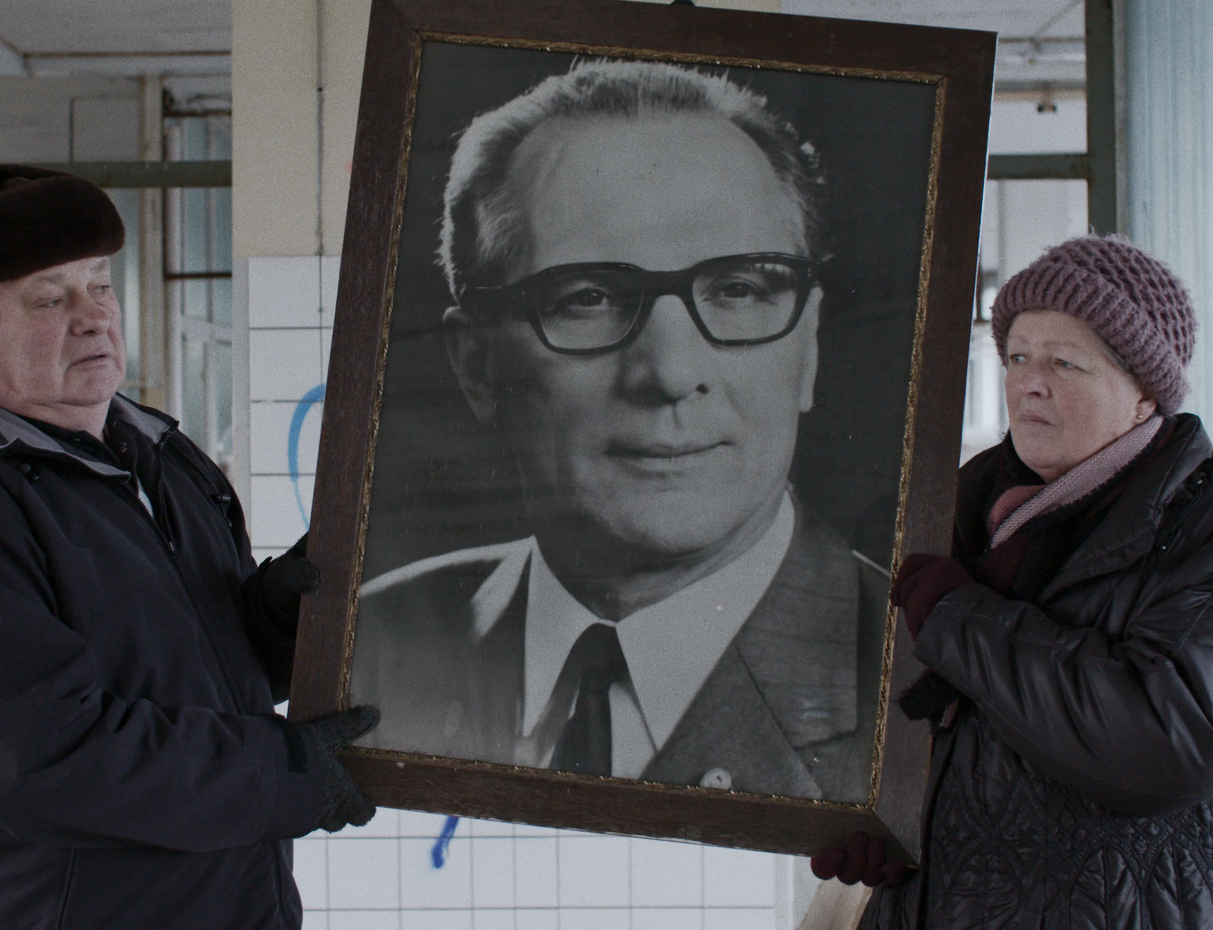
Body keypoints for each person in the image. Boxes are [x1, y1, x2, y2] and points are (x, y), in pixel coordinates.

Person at [0, 161, 377, 930]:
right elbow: (38, 755)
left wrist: (271, 624)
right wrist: (279, 775)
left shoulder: (157, 454)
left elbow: (174, 669)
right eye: (48, 297)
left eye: (101, 285)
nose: (92, 318)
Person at [352, 60, 889, 801]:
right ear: (478, 366)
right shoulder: (367, 645)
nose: (668, 374)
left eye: (737, 290)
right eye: (591, 297)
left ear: (810, 348)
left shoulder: (922, 680)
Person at [814, 236, 1213, 930]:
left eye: (1064, 363)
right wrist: (881, 808)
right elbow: (922, 710)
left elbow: (1173, 737)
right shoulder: (963, 508)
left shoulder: (1212, 525)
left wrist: (963, 619)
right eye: (1015, 357)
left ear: (1145, 391)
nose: (1029, 385)